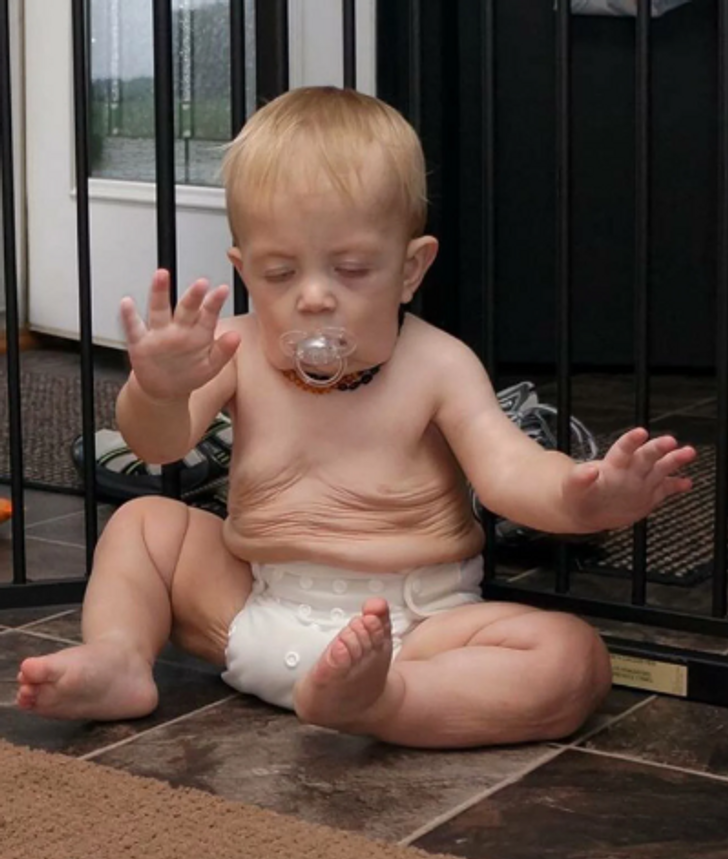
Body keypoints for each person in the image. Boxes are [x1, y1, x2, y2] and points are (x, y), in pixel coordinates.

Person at [16, 87, 695, 748]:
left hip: (416, 632)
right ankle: (119, 656)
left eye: (350, 269)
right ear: (244, 270)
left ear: (410, 269)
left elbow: (510, 472)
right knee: (144, 525)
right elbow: (157, 445)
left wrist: (586, 496)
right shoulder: (234, 349)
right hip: (252, 607)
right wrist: (160, 391)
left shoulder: (438, 363)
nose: (314, 297)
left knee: (572, 659)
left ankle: (387, 701)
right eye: (280, 273)